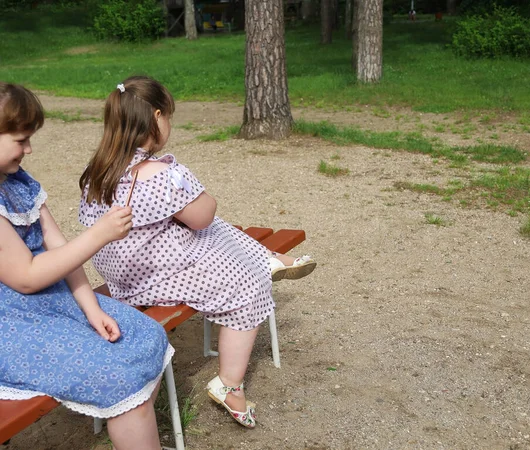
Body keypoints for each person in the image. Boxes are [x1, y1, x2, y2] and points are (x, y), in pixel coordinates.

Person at [78, 75, 316, 429]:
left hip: (122, 273)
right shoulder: (161, 174)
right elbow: (203, 217)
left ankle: (268, 258)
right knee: (245, 283)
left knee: (203, 232)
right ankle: (229, 385)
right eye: (168, 117)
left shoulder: (99, 171)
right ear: (157, 117)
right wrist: (203, 197)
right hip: (157, 273)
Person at [0, 82, 174, 450]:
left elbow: (62, 250)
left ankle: (131, 424)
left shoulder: (19, 183)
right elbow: (27, 277)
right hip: (10, 322)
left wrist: (92, 309)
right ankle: (130, 420)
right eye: (20, 140)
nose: (29, 149)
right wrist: (99, 234)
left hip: (53, 302)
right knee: (116, 374)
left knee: (148, 337)